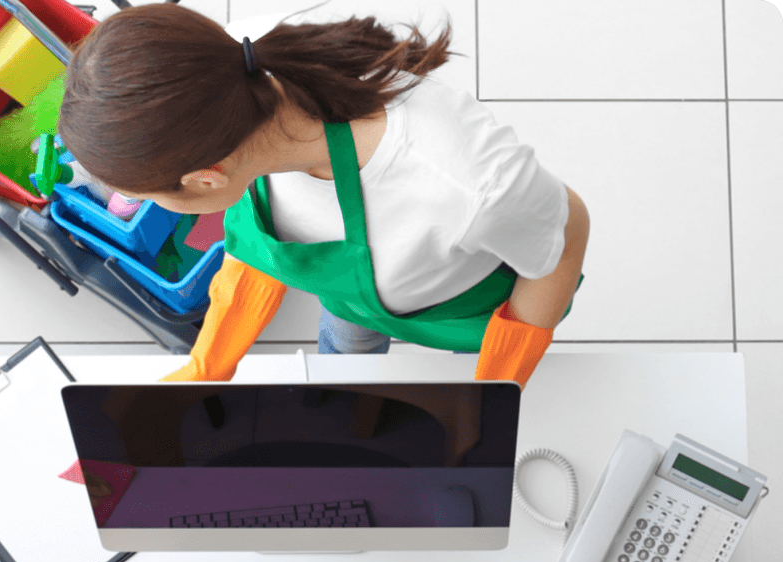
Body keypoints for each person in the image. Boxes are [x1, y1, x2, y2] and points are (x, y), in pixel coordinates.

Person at [58, 5, 590, 387]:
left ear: (205, 178)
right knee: (346, 353)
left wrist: (496, 390)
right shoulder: (223, 93)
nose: (146, 206)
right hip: (354, 298)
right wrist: (207, 368)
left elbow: (567, 232)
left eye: (147, 195)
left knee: (449, 378)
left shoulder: (463, 182)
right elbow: (260, 251)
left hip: (456, 305)